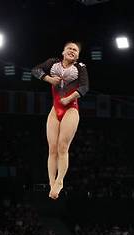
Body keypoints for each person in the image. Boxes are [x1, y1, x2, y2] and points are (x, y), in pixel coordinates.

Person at [32, 41, 89, 200]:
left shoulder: (80, 67)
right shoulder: (52, 63)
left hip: (71, 109)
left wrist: (69, 98)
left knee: (63, 147)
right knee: (52, 148)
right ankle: (52, 183)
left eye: (75, 50)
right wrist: (49, 79)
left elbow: (84, 87)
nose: (72, 51)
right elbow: (35, 70)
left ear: (77, 56)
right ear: (63, 52)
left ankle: (60, 181)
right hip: (54, 110)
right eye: (69, 48)